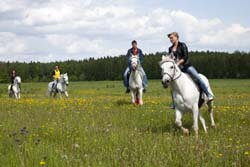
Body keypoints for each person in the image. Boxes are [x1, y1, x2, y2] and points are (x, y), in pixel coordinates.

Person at [167, 32, 214, 107]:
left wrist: (178, 63)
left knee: (197, 77)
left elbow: (185, 57)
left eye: (172, 38)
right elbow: (170, 59)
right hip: (178, 70)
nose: (170, 39)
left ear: (176, 37)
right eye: (170, 38)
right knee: (172, 85)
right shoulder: (170, 48)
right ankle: (174, 103)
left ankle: (208, 95)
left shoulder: (182, 45)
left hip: (186, 67)